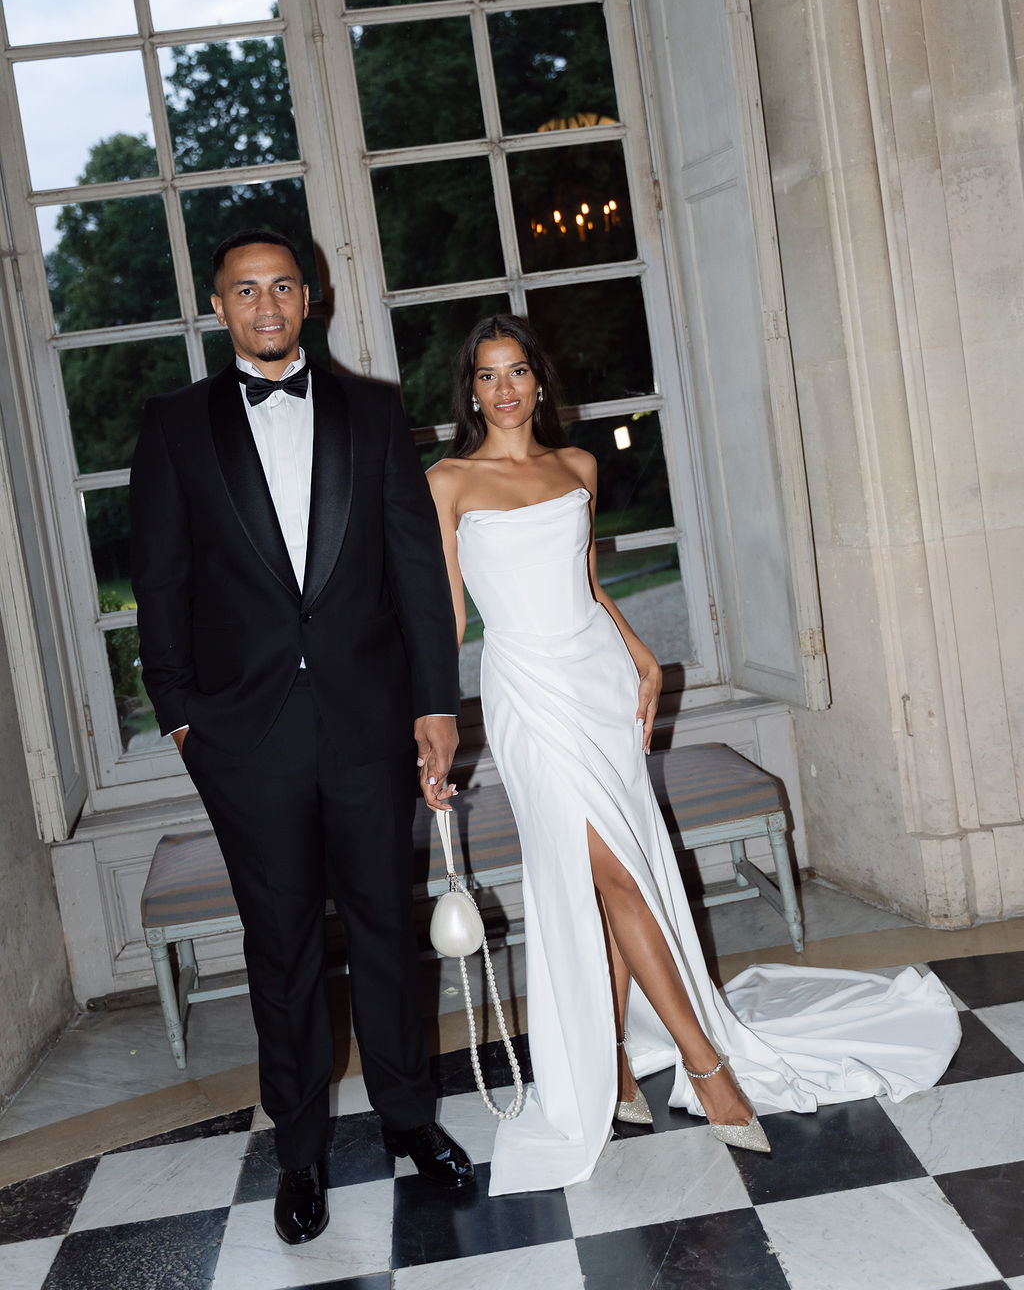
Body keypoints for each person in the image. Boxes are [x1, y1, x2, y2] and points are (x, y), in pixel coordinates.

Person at [426, 314, 960, 1197]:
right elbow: (447, 618)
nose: (507, 389)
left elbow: (587, 585)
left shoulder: (579, 468)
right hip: (526, 693)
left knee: (614, 880)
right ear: (470, 390)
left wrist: (636, 649)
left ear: (538, 382)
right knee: (614, 877)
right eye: (489, 376)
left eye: (519, 371)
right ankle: (708, 1069)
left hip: (597, 679)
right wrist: (430, 719)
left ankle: (623, 1074)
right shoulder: (446, 481)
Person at [130, 228, 473, 1246]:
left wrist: (436, 703)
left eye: (283, 286)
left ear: (311, 296)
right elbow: (160, 588)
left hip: (369, 724)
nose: (267, 305)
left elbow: (416, 571)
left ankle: (411, 1120)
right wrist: (186, 718)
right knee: (278, 947)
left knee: (383, 927)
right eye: (247, 290)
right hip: (244, 736)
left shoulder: (371, 411)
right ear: (219, 305)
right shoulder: (175, 426)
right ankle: (301, 1153)